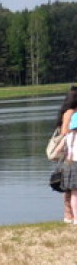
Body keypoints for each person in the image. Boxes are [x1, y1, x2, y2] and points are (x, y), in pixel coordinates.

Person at [54, 86, 77, 224]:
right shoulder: (70, 113)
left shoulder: (69, 112)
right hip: (69, 155)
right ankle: (69, 214)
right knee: (70, 187)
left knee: (70, 187)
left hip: (69, 154)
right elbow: (64, 133)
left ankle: (70, 215)